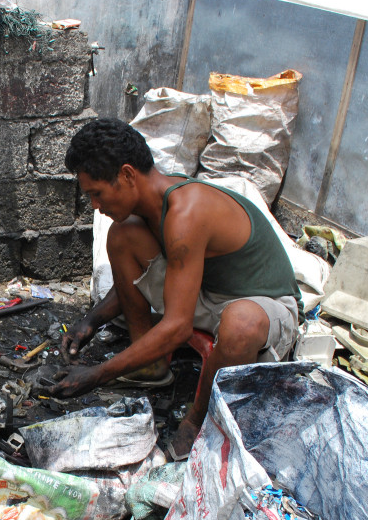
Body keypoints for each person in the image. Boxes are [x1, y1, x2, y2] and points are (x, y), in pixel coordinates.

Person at [50, 118, 302, 457]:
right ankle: (150, 367)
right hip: (207, 294)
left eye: (97, 193)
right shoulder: (152, 211)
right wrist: (91, 322)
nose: (96, 205)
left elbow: (177, 325)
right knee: (124, 236)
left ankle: (199, 420)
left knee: (241, 324)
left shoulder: (186, 211)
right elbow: (144, 277)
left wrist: (97, 374)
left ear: (127, 175)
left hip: (260, 302)